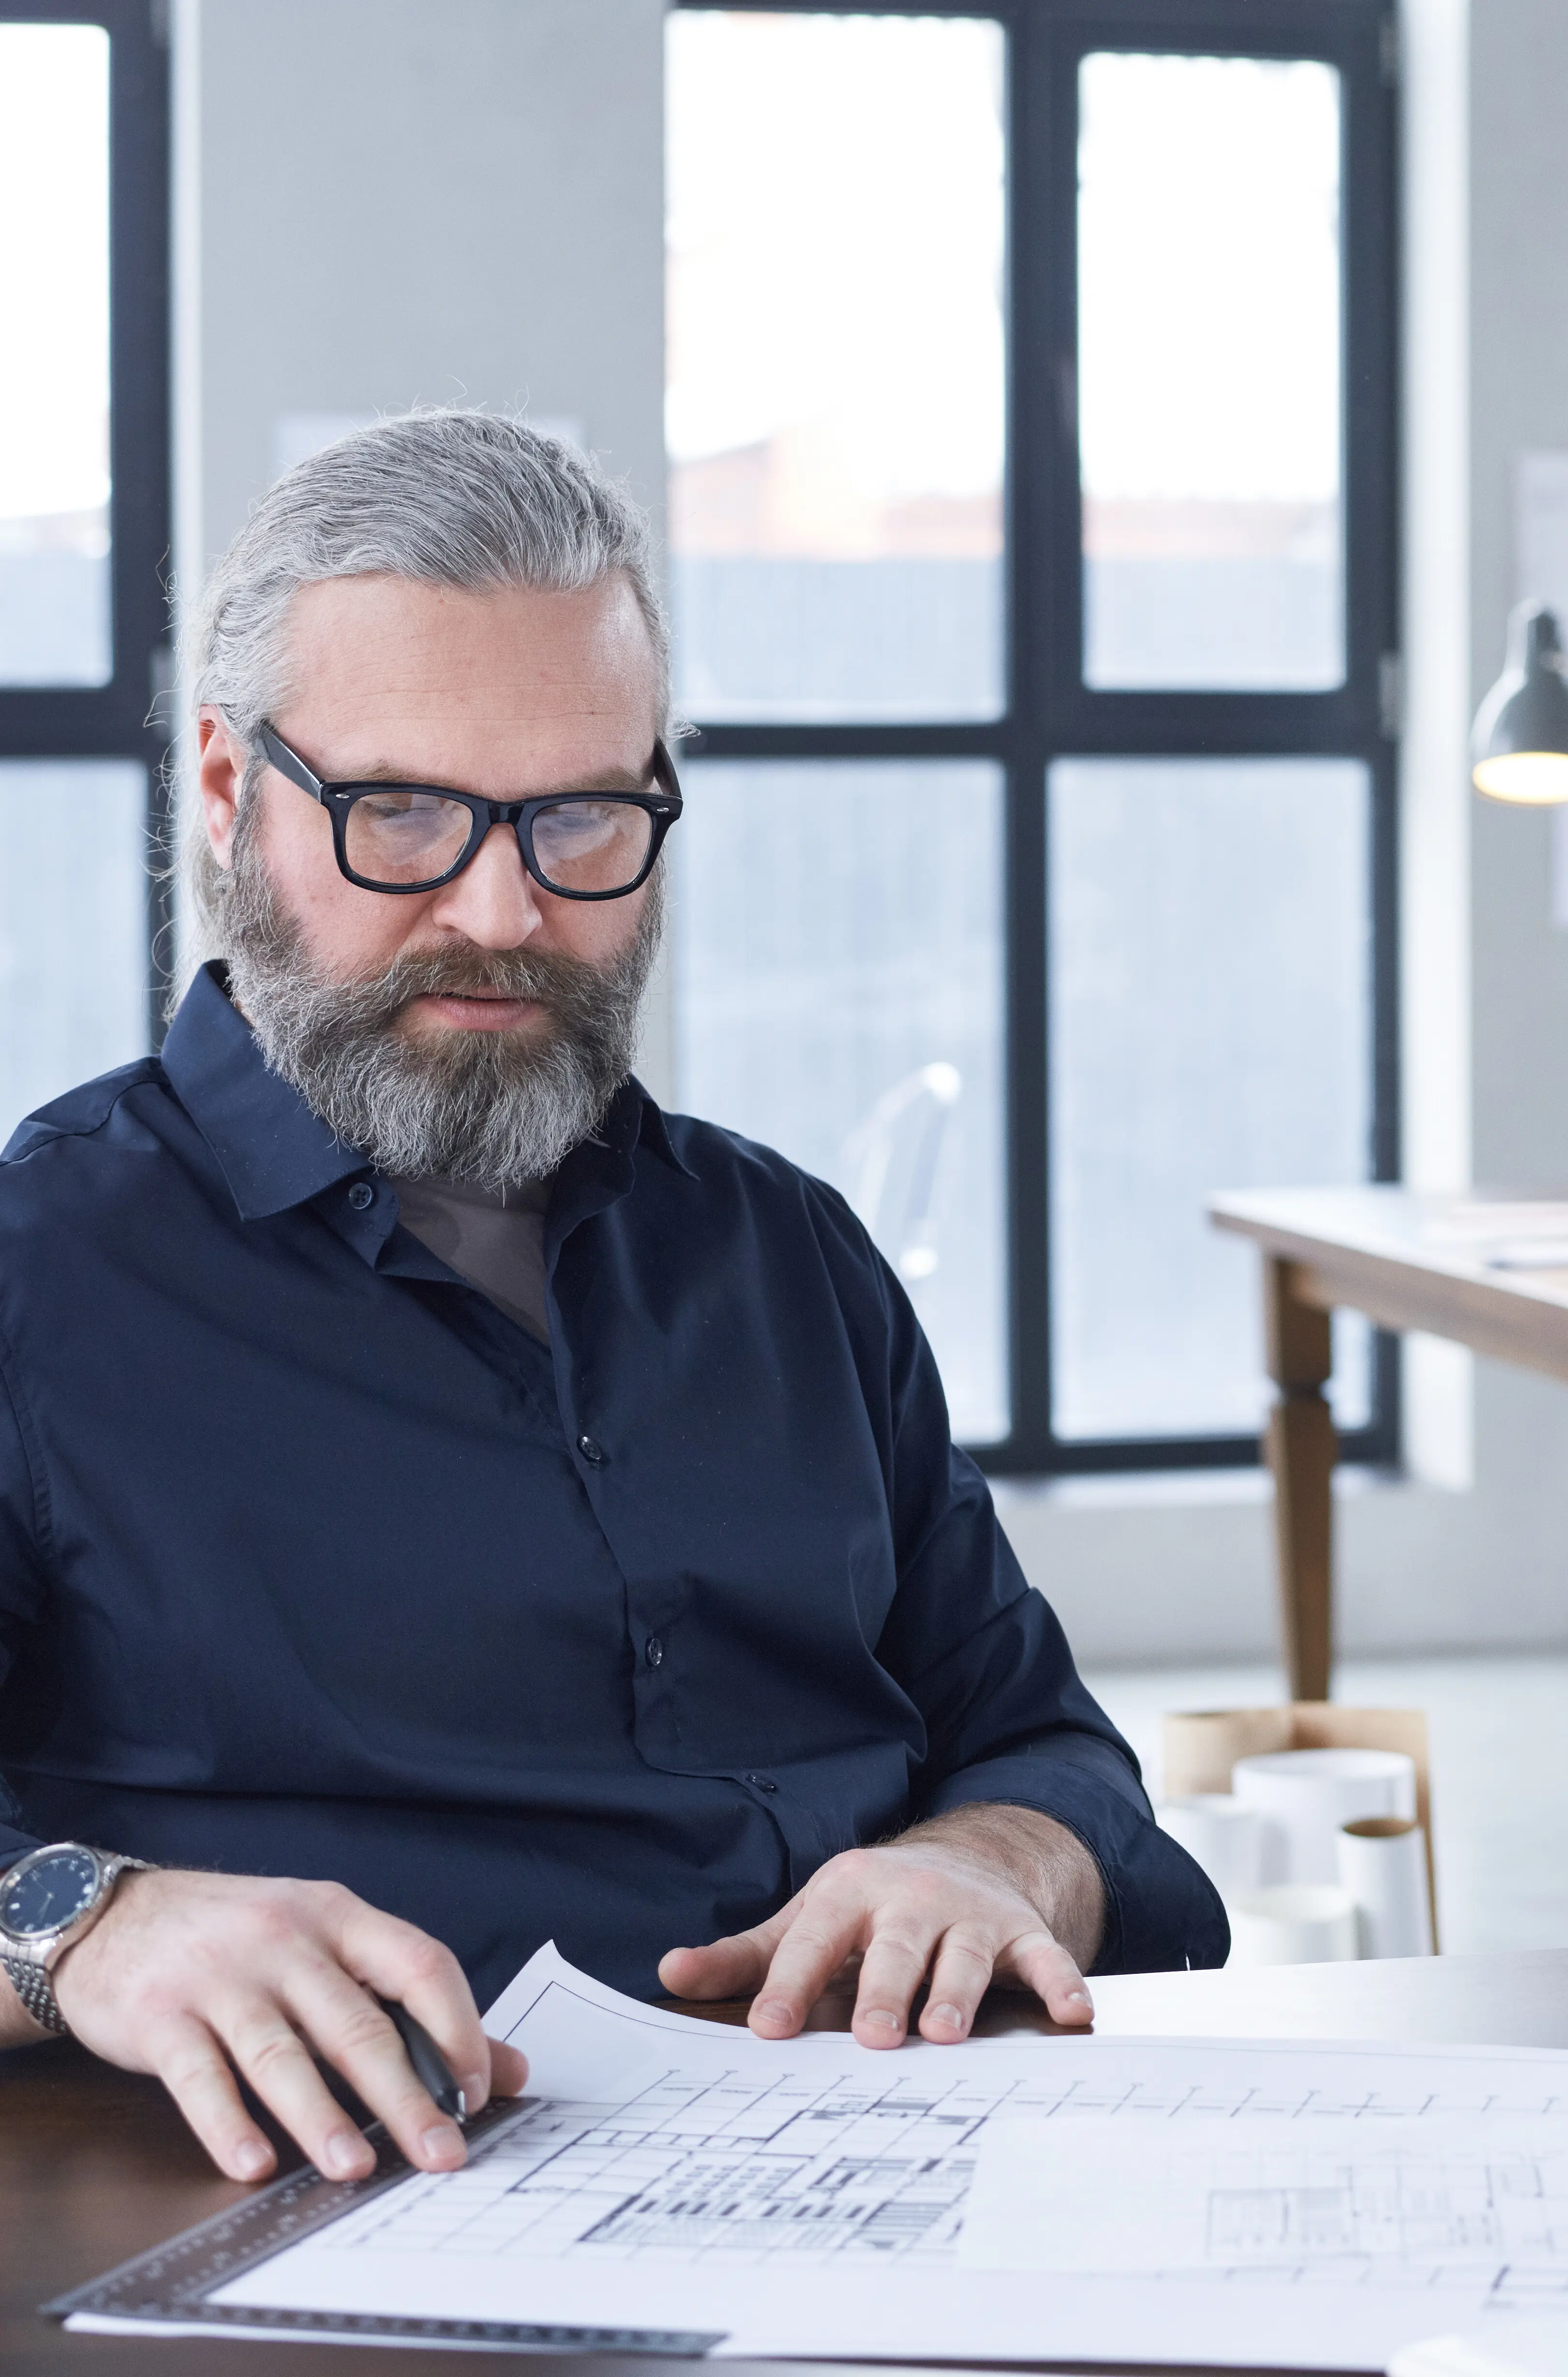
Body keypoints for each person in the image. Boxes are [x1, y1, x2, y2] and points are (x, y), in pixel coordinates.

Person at [0, 412, 1222, 2194]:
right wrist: (83, 1926)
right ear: (222, 791)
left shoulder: (790, 1255)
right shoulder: (40, 1282)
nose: (501, 908)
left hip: (887, 2182)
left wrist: (994, 1862)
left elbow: (1037, 1741)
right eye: (399, 811)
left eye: (581, 815)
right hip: (324, 2218)